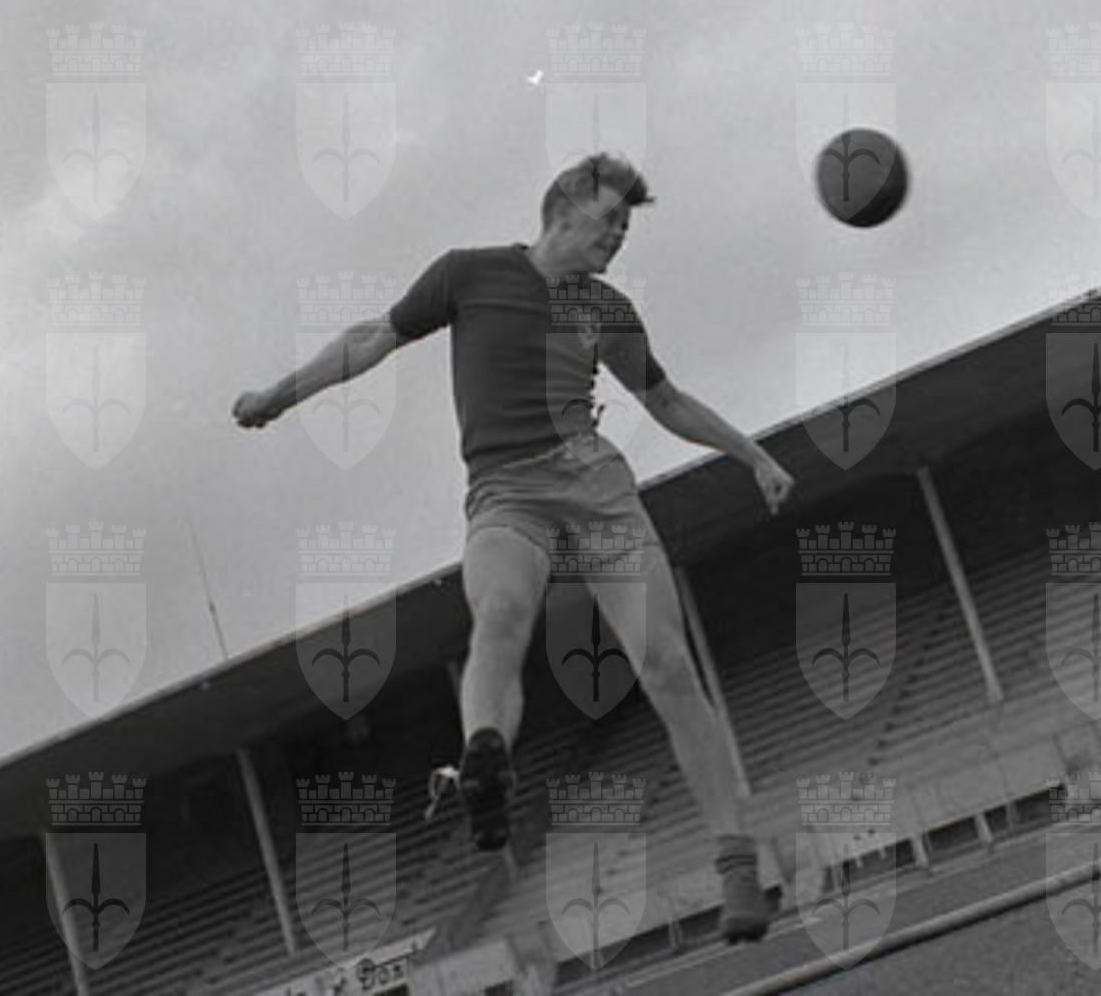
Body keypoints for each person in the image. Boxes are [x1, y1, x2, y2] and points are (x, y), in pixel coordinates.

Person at [234, 153, 796, 944]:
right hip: (506, 493)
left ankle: (735, 863)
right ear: (563, 210)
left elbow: (665, 400)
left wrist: (753, 456)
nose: (619, 235)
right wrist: (278, 395)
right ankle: (484, 761)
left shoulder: (607, 311)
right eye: (609, 219)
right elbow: (371, 338)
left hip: (595, 488)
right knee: (499, 612)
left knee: (666, 663)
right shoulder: (467, 275)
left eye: (626, 227)